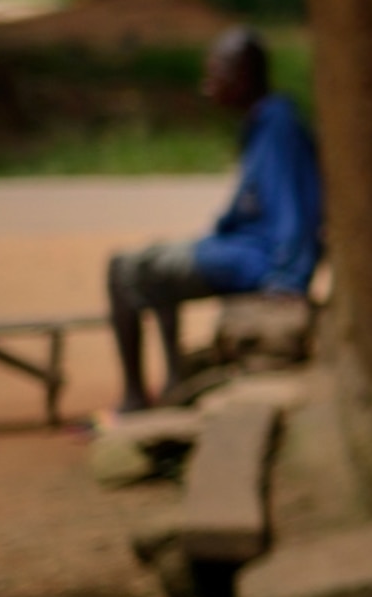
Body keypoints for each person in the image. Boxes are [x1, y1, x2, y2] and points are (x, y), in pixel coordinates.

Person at [104, 26, 322, 410]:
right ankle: (174, 377)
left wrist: (288, 279)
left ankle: (136, 397)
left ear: (243, 77)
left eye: (216, 74)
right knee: (153, 265)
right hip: (244, 248)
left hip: (257, 259)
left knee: (125, 271)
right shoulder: (265, 123)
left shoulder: (277, 127)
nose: (209, 86)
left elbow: (294, 211)